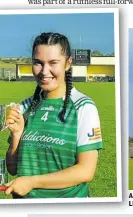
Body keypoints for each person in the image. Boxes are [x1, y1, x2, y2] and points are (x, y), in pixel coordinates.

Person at [5, 32, 102, 198]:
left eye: (53, 63)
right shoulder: (25, 107)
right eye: (38, 63)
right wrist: (16, 134)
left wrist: (32, 182)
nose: (44, 71)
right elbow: (13, 169)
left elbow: (86, 171)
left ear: (67, 64)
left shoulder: (83, 107)